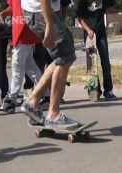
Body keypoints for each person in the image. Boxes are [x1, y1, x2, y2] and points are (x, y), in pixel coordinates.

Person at [20, 0, 80, 128]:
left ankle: (33, 103)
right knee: (65, 56)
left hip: (36, 12)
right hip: (42, 13)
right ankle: (53, 114)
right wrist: (49, 24)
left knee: (61, 57)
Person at [0, 0, 51, 115]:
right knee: (30, 67)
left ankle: (11, 99)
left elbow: (33, 7)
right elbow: (13, 7)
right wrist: (2, 14)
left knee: (17, 64)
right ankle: (46, 96)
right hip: (19, 30)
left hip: (25, 30)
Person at [76, 0, 117, 101]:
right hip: (90, 36)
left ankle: (109, 90)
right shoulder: (83, 3)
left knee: (106, 62)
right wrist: (88, 30)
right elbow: (80, 19)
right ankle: (94, 91)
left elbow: (113, 5)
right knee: (91, 64)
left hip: (101, 35)